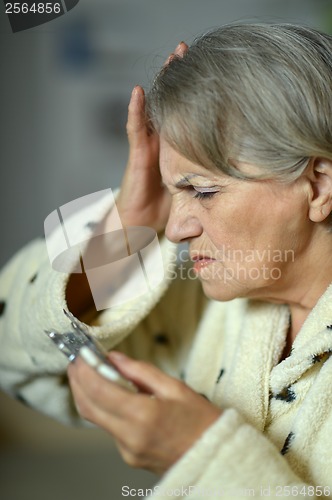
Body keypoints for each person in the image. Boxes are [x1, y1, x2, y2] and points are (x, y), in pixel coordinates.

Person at [1, 22, 332, 498]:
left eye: (203, 191)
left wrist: (201, 457)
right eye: (175, 192)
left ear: (318, 186)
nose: (175, 230)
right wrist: (132, 218)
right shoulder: (206, 312)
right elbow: (11, 355)